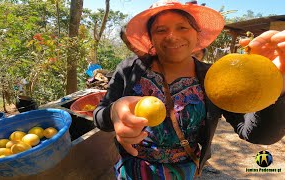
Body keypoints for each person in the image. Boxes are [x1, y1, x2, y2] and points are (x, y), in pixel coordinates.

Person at [93, 1, 285, 179]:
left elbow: (257, 133)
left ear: (197, 34)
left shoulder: (215, 76)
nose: (172, 36)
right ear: (151, 37)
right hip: (132, 170)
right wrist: (113, 111)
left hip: (185, 172)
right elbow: (99, 117)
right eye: (160, 30)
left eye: (182, 27)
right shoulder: (129, 69)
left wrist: (277, 85)